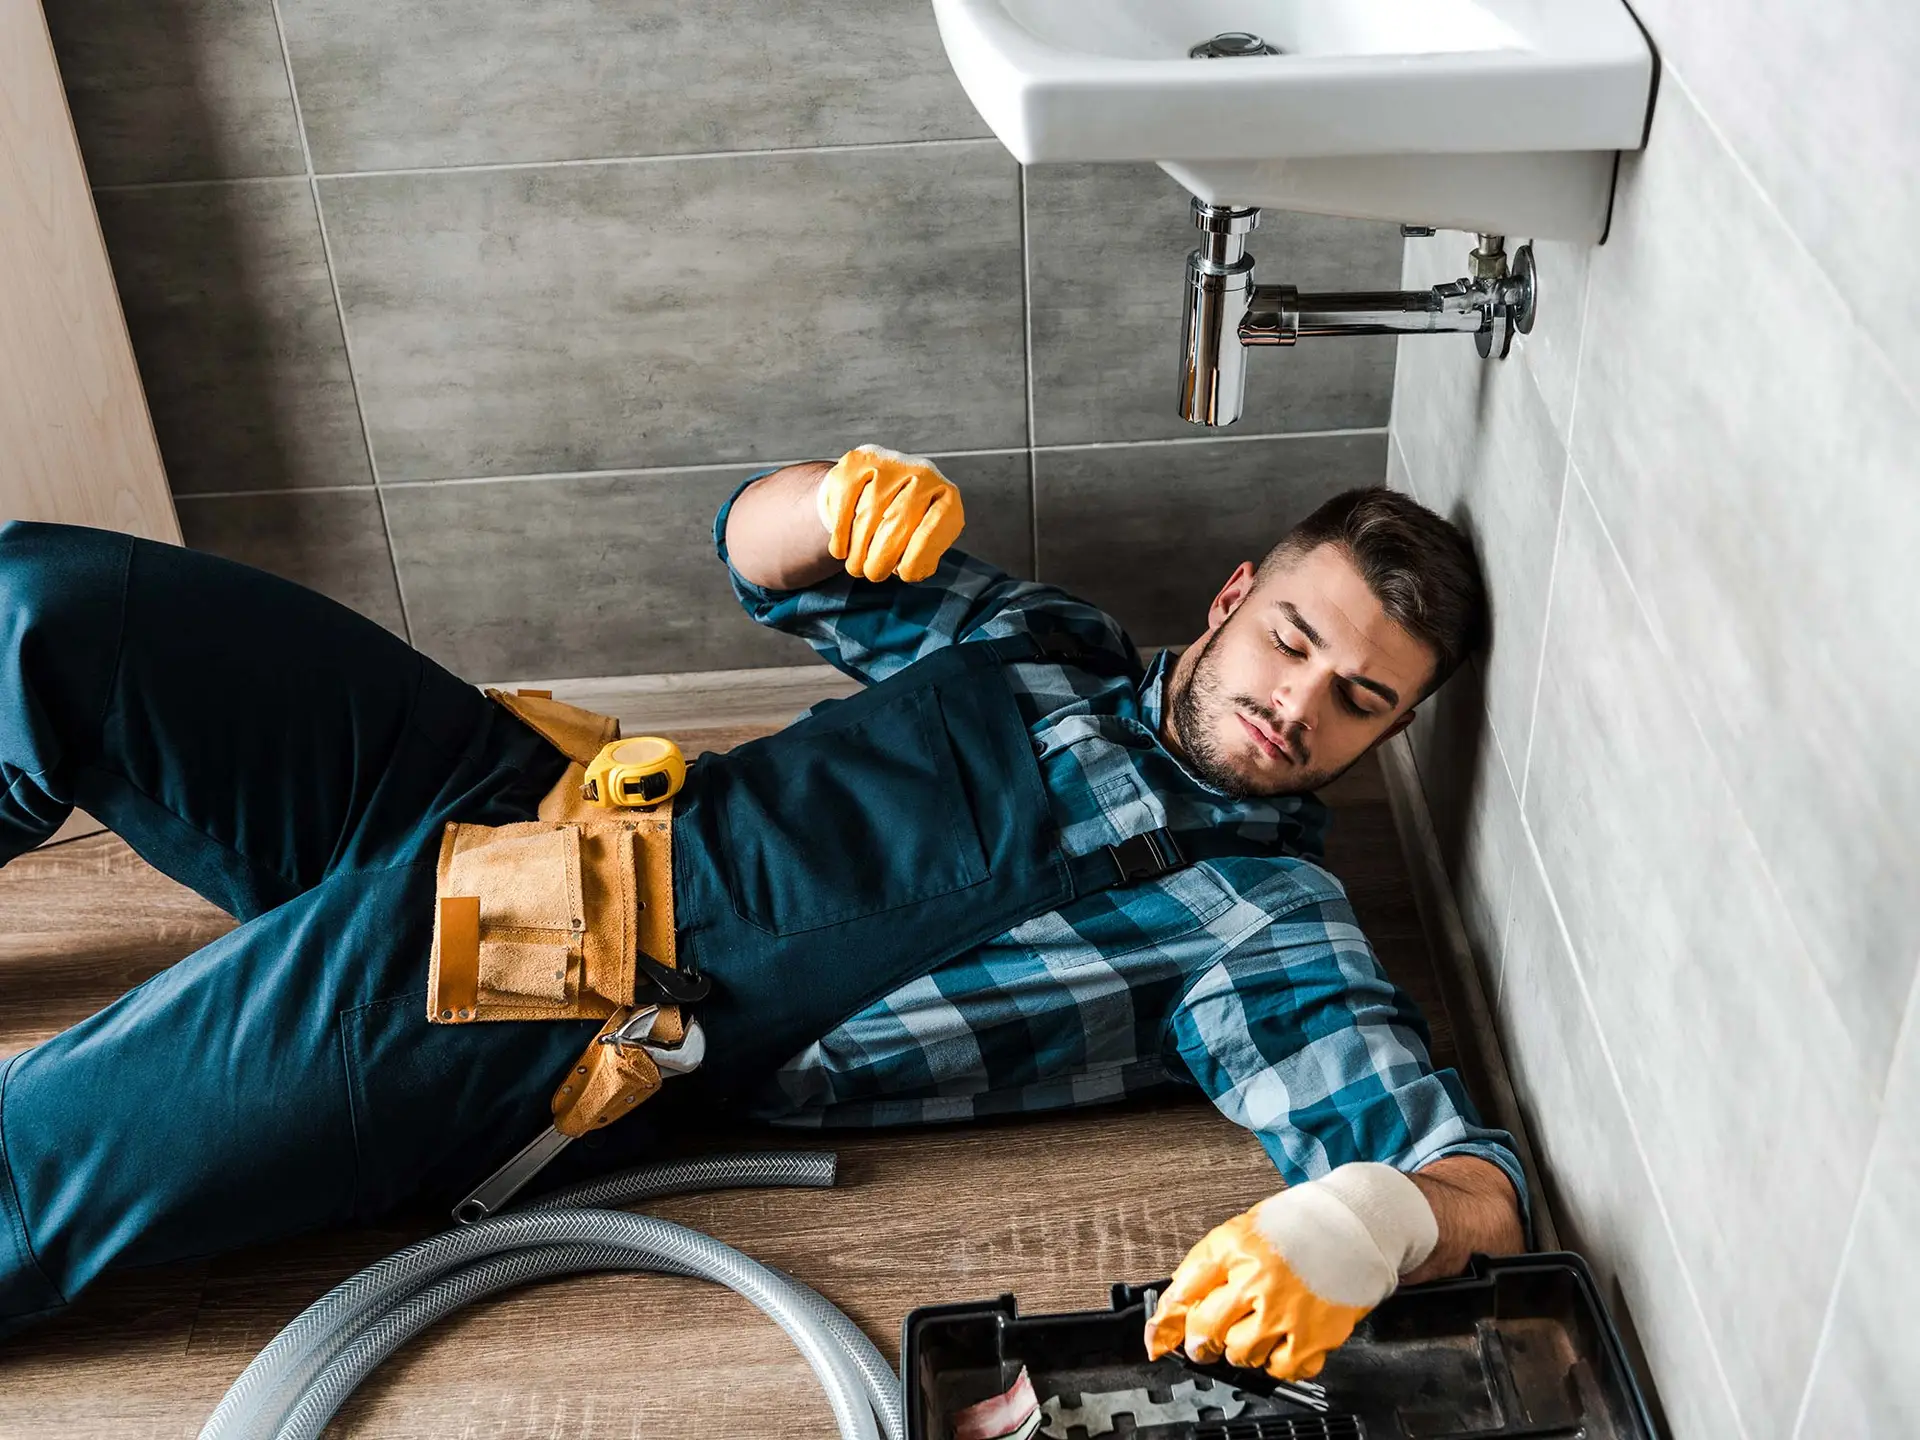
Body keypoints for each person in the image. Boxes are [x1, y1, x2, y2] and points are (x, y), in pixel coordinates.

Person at [0, 447, 1524, 1381]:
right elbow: (759, 557)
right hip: (529, 789)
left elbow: (1470, 1180)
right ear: (1233, 595)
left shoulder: (1259, 918)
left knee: (34, 1160)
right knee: (45, 612)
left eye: (1358, 702)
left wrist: (1377, 1217)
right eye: (1294, 640)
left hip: (557, 986)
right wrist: (830, 495)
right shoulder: (1045, 643)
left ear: (1385, 741)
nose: (1294, 706)